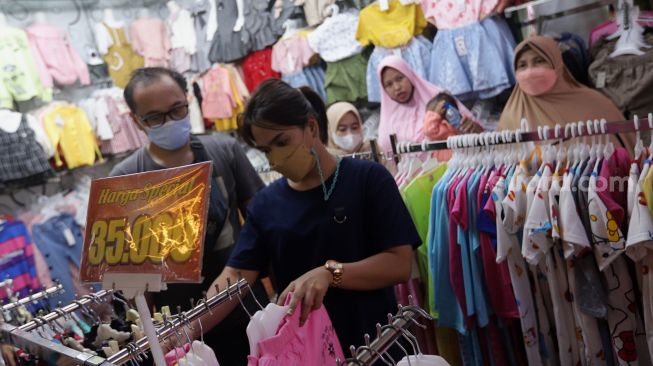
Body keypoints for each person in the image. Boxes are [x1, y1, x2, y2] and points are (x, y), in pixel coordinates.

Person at [193, 79, 420, 357]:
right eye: (266, 150)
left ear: (311, 127)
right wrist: (187, 328)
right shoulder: (266, 204)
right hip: (307, 353)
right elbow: (236, 276)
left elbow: (399, 263)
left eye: (281, 142)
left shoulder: (367, 180)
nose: (275, 158)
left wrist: (330, 273)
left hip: (377, 345)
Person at [109, 67, 268, 365]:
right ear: (136, 120)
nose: (169, 122)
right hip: (176, 327)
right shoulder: (126, 179)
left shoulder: (225, 150)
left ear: (188, 100)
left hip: (244, 309)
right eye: (154, 117)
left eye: (176, 109)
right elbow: (129, 276)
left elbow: (261, 226)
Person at [498, 35, 634, 150]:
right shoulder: (510, 117)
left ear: (557, 64)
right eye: (522, 65)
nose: (530, 71)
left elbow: (627, 151)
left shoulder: (594, 104)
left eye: (539, 61)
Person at [377, 56, 482, 154]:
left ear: (409, 75)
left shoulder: (438, 100)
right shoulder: (387, 120)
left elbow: (478, 135)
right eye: (389, 84)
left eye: (399, 78)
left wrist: (473, 128)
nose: (397, 87)